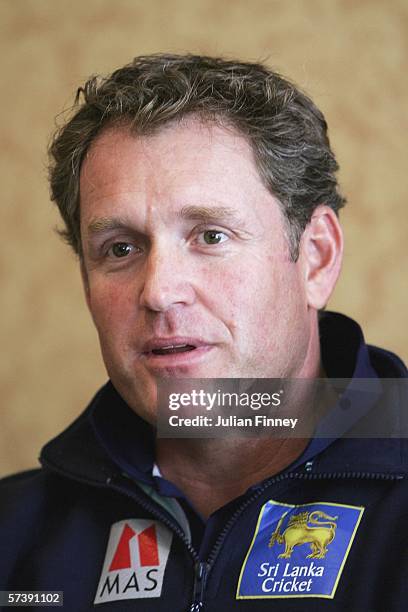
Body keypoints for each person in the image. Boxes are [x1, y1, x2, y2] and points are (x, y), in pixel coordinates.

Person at [0, 54, 406, 611]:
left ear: (315, 258)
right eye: (120, 248)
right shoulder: (14, 536)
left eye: (210, 236)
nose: (159, 291)